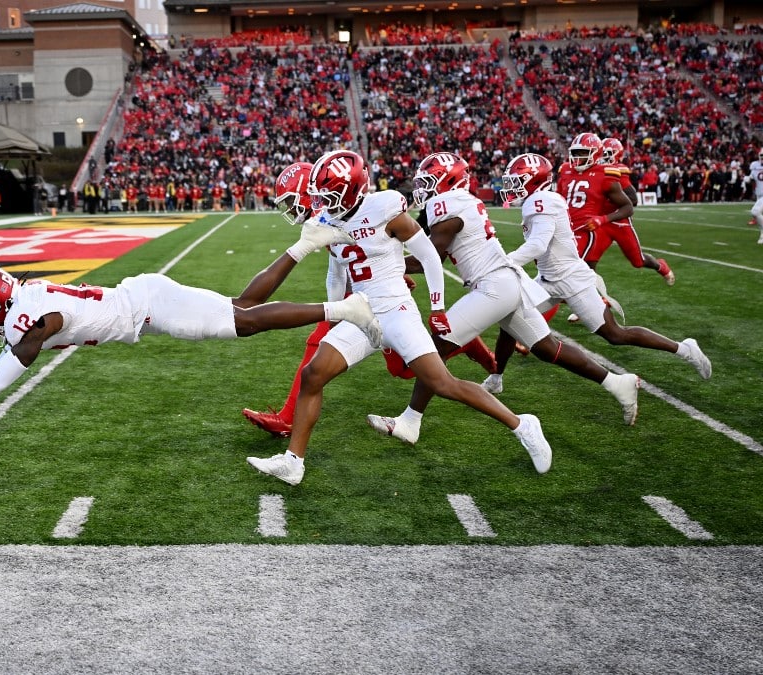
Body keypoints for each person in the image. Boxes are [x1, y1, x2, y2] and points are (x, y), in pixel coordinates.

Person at [245, 150, 553, 486]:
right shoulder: (326, 222)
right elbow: (336, 273)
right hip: (361, 311)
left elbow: (429, 257)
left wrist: (437, 307)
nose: (324, 204)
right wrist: (335, 312)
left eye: (329, 196)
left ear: (351, 190)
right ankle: (293, 462)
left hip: (396, 310)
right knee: (313, 373)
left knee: (441, 383)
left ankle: (523, 425)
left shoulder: (384, 208)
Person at [0, 223, 383, 438]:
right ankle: (306, 244)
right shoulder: (24, 301)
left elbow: (11, 365)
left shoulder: (28, 319)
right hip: (143, 301)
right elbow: (18, 346)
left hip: (148, 307)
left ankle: (347, 309)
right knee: (244, 307)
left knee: (246, 322)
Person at [364, 152, 641, 451]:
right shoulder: (461, 201)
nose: (424, 189)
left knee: (436, 346)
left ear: (450, 180)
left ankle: (410, 422)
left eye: (430, 181)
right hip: (506, 282)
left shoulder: (446, 204)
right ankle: (616, 382)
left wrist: (382, 266)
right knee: (548, 349)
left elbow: (432, 256)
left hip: (493, 286)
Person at [242, 161, 497, 438]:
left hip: (381, 298)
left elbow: (384, 246)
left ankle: (289, 418)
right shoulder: (326, 217)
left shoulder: (339, 212)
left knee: (319, 340)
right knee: (401, 369)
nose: (291, 210)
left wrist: (392, 280)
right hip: (362, 293)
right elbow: (341, 265)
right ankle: (462, 345)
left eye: (293, 201)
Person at [483, 153, 711, 394]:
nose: (512, 186)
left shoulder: (541, 201)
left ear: (534, 180)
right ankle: (496, 378)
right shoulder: (539, 200)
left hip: (571, 280)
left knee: (615, 335)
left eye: (517, 180)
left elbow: (538, 244)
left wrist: (504, 262)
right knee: (510, 320)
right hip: (549, 279)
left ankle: (685, 349)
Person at [559, 134, 674, 285]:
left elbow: (631, 200)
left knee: (638, 261)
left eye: (608, 154)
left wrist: (607, 198)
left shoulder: (613, 171)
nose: (604, 158)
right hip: (597, 223)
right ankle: (592, 297)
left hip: (618, 222)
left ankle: (661, 266)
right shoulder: (572, 170)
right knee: (589, 259)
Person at [749, 149, 763, 244]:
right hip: (759, 194)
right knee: (759, 216)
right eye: (761, 155)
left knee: (755, 212)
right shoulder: (755, 166)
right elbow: (751, 177)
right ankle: (762, 235)